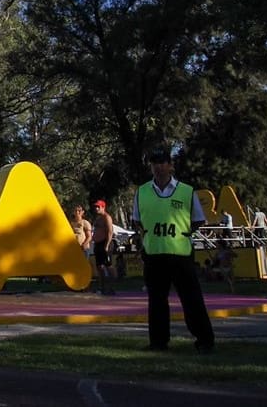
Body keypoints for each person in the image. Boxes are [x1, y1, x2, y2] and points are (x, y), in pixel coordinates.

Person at [132, 144, 215, 353]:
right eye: (154, 163)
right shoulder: (142, 192)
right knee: (157, 301)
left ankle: (204, 340)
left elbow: (198, 220)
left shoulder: (186, 191)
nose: (158, 167)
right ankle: (158, 342)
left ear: (170, 165)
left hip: (180, 254)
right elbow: (138, 220)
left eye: (162, 162)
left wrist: (181, 233)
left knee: (191, 299)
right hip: (154, 254)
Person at [91, 200, 115, 295]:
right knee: (99, 266)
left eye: (98, 207)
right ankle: (102, 287)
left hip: (105, 244)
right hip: (98, 244)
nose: (96, 208)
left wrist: (107, 245)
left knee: (108, 266)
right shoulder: (98, 218)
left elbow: (110, 231)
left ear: (103, 207)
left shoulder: (107, 217)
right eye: (95, 207)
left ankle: (111, 287)